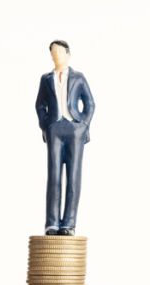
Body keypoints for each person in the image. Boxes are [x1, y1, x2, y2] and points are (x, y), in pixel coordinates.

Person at [35, 40, 95, 235]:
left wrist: (83, 125)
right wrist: (46, 125)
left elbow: (90, 104)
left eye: (59, 53)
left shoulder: (79, 77)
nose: (56, 56)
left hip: (74, 129)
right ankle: (52, 223)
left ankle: (68, 224)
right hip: (55, 128)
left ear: (68, 55)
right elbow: (40, 105)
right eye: (53, 53)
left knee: (73, 176)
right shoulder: (45, 79)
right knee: (54, 176)